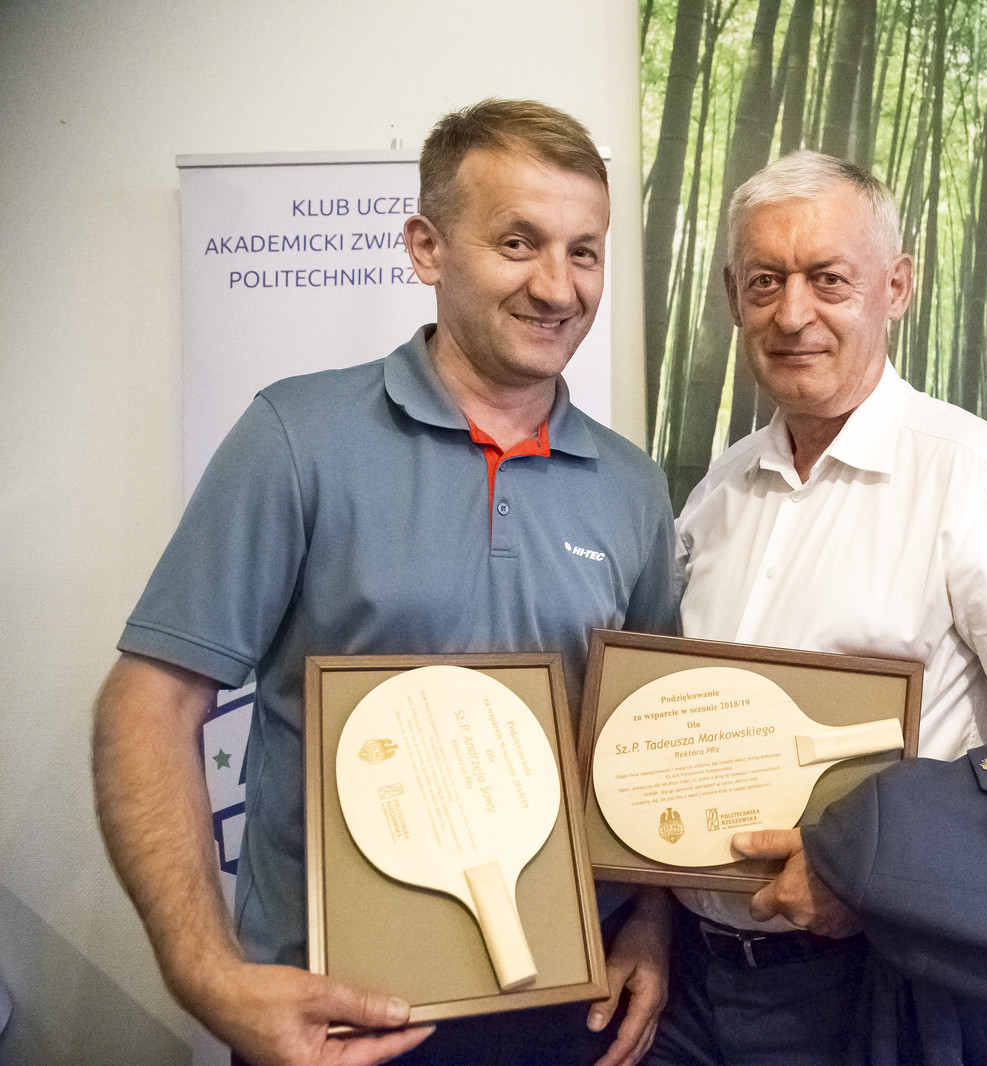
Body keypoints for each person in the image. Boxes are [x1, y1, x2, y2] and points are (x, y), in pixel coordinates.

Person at [92, 99, 678, 1066]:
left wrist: (651, 925)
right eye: (519, 242)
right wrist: (207, 974)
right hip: (339, 1019)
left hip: (569, 1013)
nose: (557, 285)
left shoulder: (631, 486)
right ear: (426, 248)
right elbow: (147, 705)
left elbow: (642, 746)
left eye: (584, 251)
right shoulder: (296, 437)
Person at [655, 150, 987, 1065]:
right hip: (698, 986)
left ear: (896, 287)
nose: (792, 314)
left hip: (886, 985)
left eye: (827, 279)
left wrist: (867, 872)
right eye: (765, 281)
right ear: (732, 297)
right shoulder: (716, 493)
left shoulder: (980, 481)